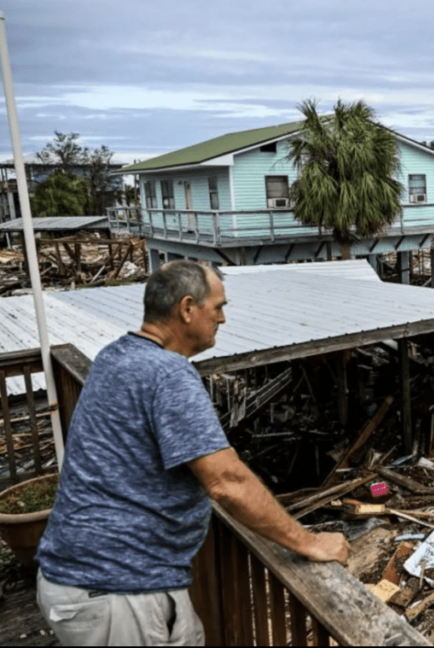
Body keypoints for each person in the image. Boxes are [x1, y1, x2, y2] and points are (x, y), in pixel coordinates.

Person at [36, 260, 348, 646]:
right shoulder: (168, 374)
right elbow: (226, 482)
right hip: (116, 587)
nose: (223, 319)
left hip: (92, 579)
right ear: (187, 309)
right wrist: (309, 543)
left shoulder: (115, 356)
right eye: (217, 307)